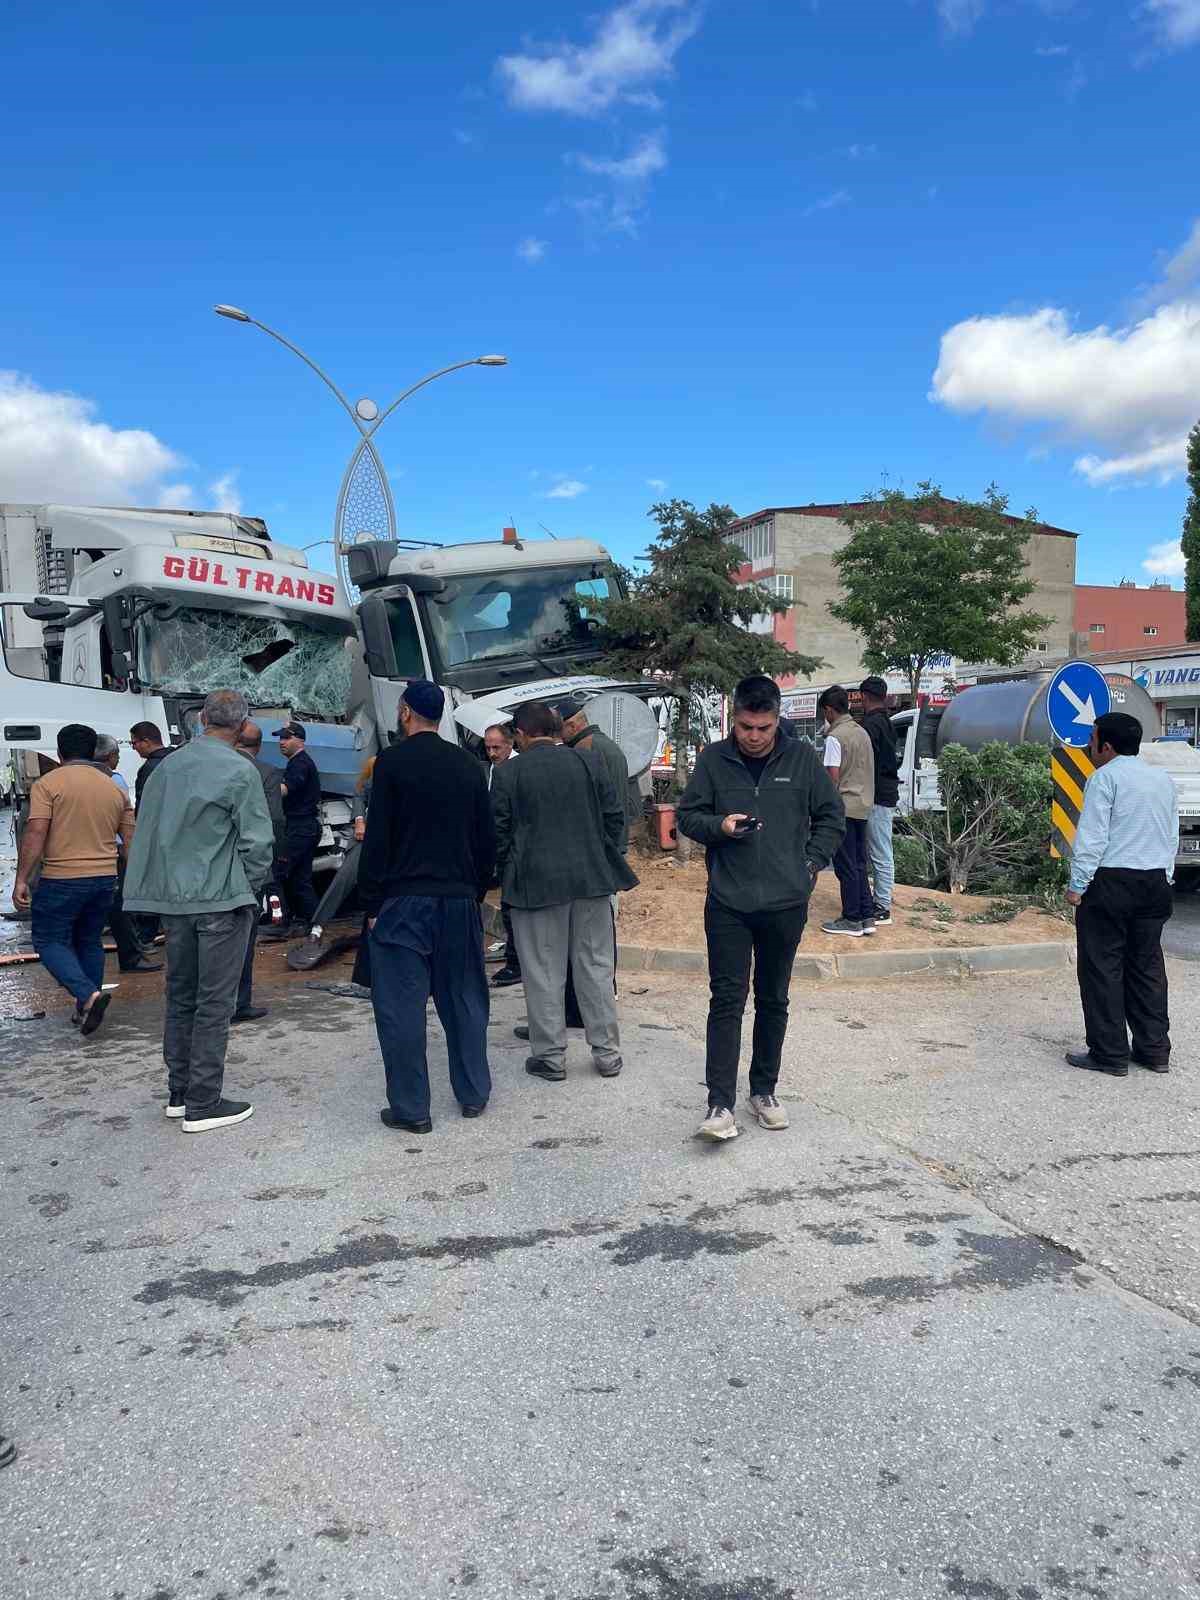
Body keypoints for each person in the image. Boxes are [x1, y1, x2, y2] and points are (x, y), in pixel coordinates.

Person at [678, 675, 844, 1141]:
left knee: (773, 999)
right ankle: (718, 1105)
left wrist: (809, 865)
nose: (753, 737)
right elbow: (689, 816)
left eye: (763, 728)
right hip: (728, 903)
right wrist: (720, 826)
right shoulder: (714, 759)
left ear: (777, 722)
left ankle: (764, 1090)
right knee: (727, 1001)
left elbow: (831, 817)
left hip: (785, 903)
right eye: (746, 727)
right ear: (735, 718)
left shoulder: (803, 759)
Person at [124, 689, 274, 1132]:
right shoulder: (238, 770)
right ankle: (204, 1102)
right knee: (215, 1002)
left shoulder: (166, 767)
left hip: (174, 900)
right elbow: (258, 843)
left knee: (182, 995)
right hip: (222, 898)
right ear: (242, 724)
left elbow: (148, 832)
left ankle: (180, 1091)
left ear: (202, 717)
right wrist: (251, 887)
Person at [358, 681, 495, 1134]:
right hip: (458, 899)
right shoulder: (470, 766)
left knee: (401, 1007)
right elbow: (485, 840)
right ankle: (474, 1094)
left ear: (405, 713)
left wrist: (372, 900)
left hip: (403, 902)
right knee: (465, 999)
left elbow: (378, 838)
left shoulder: (391, 764)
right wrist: (472, 892)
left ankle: (412, 1108)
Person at [493, 700, 637, 1084]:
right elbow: (613, 817)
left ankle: (551, 1056)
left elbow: (500, 832)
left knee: (542, 971)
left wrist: (504, 872)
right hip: (592, 881)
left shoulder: (509, 772)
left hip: (534, 885)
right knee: (595, 967)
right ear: (556, 730)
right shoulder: (587, 761)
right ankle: (607, 1053)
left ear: (521, 734)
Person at [1065, 711, 1179, 1077]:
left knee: (1102, 966)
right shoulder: (1162, 779)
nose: (1089, 745)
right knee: (1147, 967)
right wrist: (1167, 874)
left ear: (1106, 746)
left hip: (1112, 883)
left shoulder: (1104, 779)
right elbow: (1171, 832)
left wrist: (1077, 885)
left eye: (1093, 738)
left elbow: (1093, 838)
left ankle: (1109, 1053)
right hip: (1155, 882)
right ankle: (1154, 1050)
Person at [12, 723, 134, 1035]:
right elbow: (130, 840)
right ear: (93, 751)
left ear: (60, 751)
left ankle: (88, 994)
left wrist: (22, 878)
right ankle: (86, 1007)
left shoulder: (48, 784)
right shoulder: (114, 788)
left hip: (62, 878)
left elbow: (36, 831)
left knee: (49, 940)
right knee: (89, 940)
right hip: (105, 879)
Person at [231, 720, 287, 1023]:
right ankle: (239, 1002)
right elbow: (274, 820)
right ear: (259, 745)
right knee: (243, 937)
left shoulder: (213, 767)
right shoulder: (265, 772)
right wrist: (271, 863)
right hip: (250, 867)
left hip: (210, 867)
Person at [93, 734, 162, 975]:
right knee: (119, 907)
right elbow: (125, 824)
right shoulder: (115, 780)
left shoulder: (57, 781)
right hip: (111, 853)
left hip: (78, 859)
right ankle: (132, 956)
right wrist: (131, 858)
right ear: (110, 757)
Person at [818, 685, 876, 937]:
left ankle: (851, 918)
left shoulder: (835, 737)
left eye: (825, 713)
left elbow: (831, 778)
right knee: (860, 863)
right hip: (863, 805)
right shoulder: (861, 732)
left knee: (845, 866)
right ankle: (867, 915)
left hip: (842, 807)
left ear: (829, 710)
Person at [272, 721, 321, 936]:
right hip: (304, 826)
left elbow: (286, 789)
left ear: (300, 740)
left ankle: (285, 922)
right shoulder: (298, 762)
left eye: (286, 738)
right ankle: (311, 921)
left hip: (299, 827)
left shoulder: (300, 764)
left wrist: (261, 792)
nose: (282, 742)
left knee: (282, 873)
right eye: (280, 738)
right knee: (300, 878)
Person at [483, 722, 522, 988]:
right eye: (488, 747)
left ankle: (515, 963)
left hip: (514, 851)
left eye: (497, 747)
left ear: (510, 744)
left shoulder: (515, 769)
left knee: (513, 910)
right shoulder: (493, 769)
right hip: (505, 850)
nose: (492, 752)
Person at [859, 677, 900, 925]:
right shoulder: (887, 722)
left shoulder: (871, 726)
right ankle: (876, 901)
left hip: (876, 795)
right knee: (877, 851)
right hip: (883, 793)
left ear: (864, 696)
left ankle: (882, 906)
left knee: (880, 852)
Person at [130, 721, 173, 811]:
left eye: (134, 743)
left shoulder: (148, 769)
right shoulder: (179, 758)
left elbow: (143, 808)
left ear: (146, 742)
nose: (133, 748)